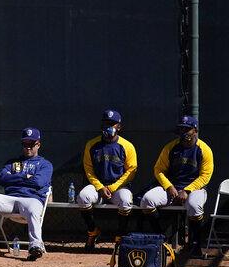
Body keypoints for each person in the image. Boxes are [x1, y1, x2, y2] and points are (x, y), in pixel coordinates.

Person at [0, 127, 53, 260]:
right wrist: (25, 177)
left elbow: (38, 182)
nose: (28, 147)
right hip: (10, 200)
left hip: (31, 200)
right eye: (25, 144)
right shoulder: (13, 163)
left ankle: (35, 246)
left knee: (33, 207)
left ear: (38, 144)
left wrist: (15, 178)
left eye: (31, 144)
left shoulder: (45, 164)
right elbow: (2, 178)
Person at [140, 116, 214, 256]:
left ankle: (195, 245)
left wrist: (187, 190)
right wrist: (169, 186)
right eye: (181, 129)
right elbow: (159, 169)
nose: (184, 132)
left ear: (195, 130)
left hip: (195, 189)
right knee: (147, 200)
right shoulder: (171, 147)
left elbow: (205, 176)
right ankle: (161, 240)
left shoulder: (204, 149)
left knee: (194, 205)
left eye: (187, 129)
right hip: (172, 188)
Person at [77, 109, 137, 250]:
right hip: (98, 186)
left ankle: (120, 236)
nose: (108, 126)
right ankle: (93, 231)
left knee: (126, 200)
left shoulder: (127, 146)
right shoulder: (91, 144)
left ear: (119, 127)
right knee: (83, 196)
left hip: (118, 187)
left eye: (112, 124)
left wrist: (112, 187)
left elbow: (131, 172)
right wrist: (100, 187)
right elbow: (89, 170)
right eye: (106, 123)